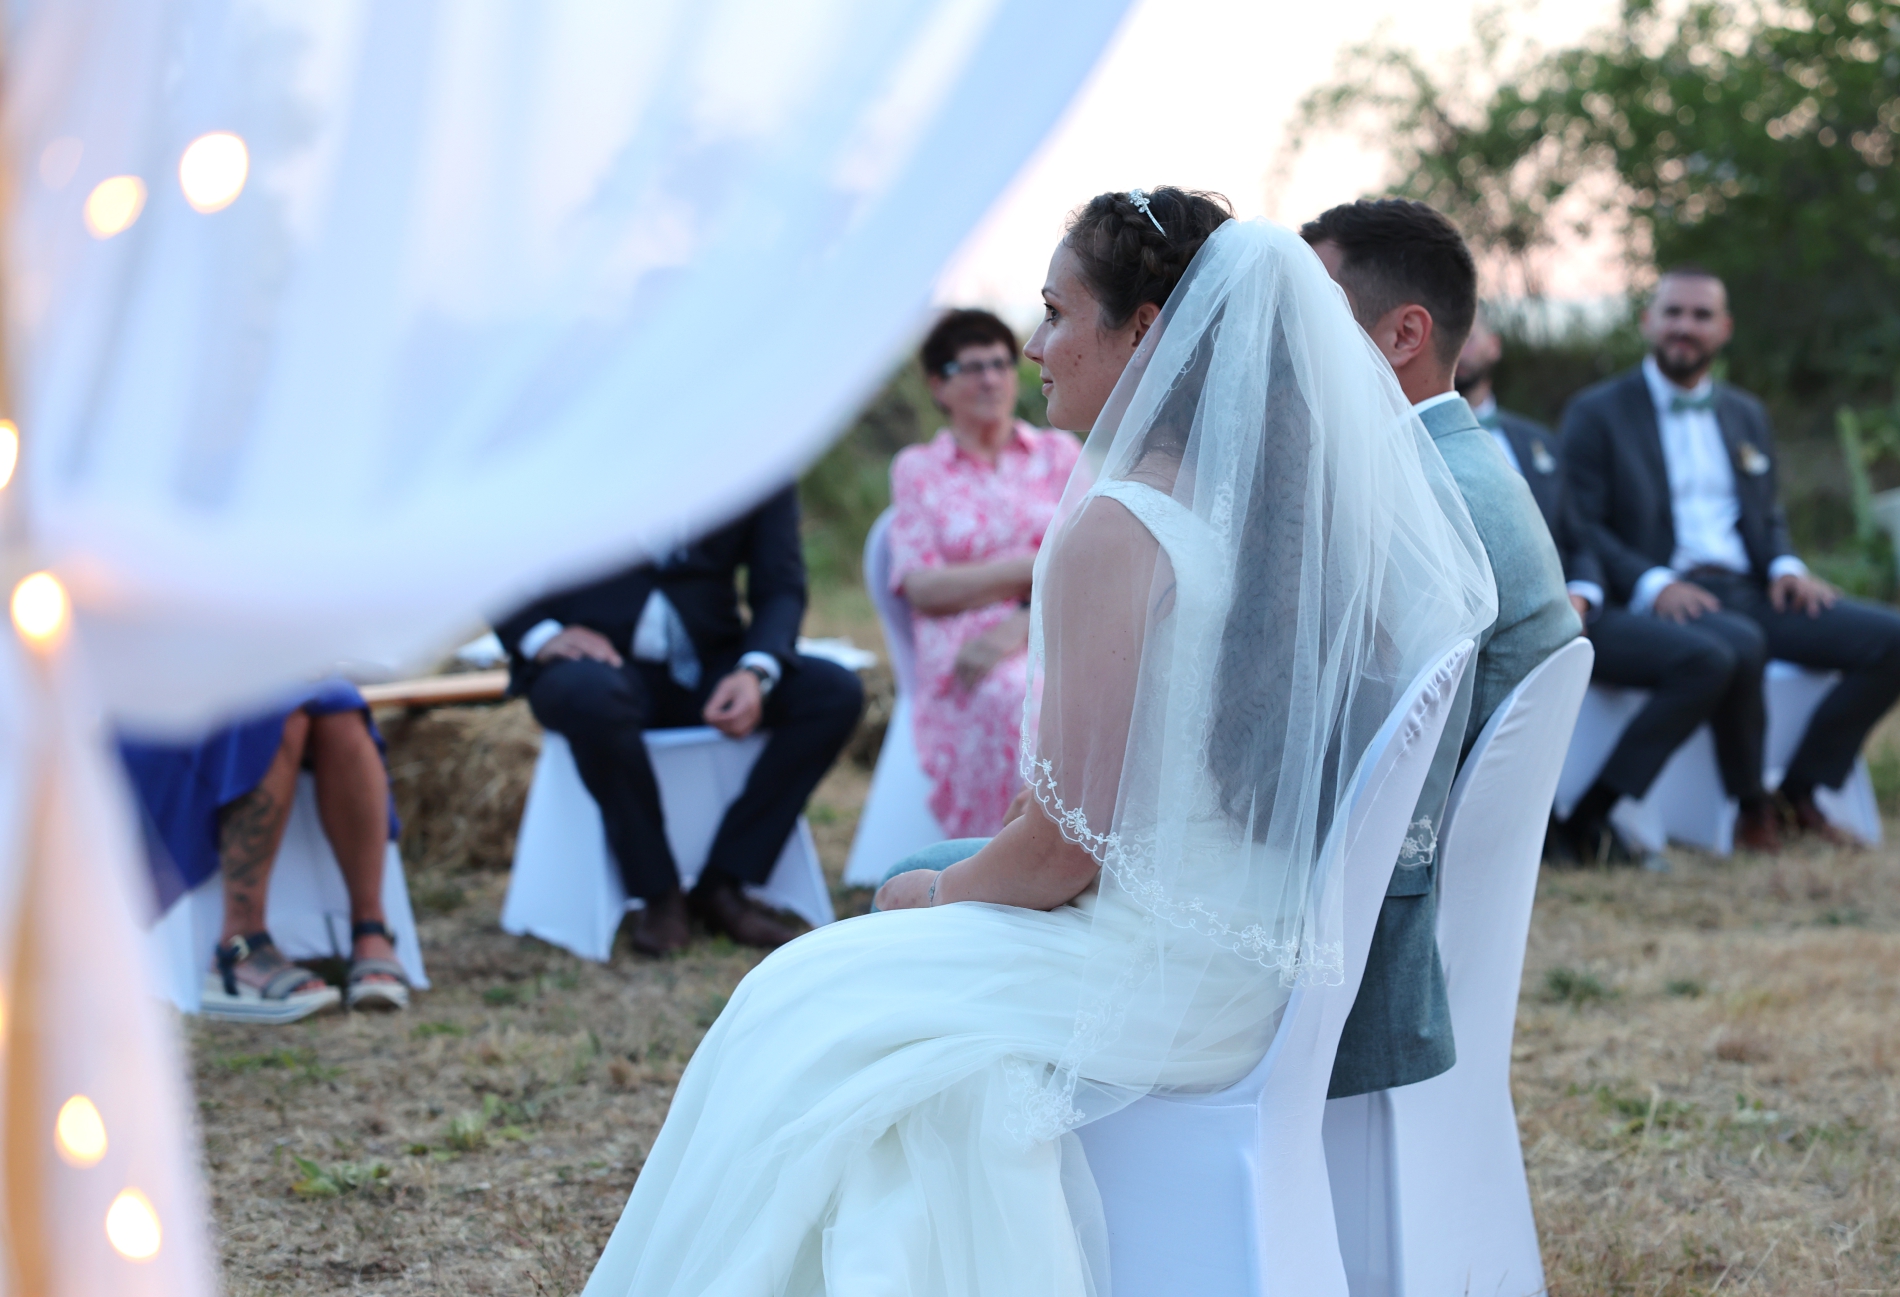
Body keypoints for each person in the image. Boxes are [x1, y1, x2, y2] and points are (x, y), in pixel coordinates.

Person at [578, 193, 1494, 1295]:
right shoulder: (1277, 508)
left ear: (1144, 330)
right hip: (1260, 960)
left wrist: (931, 892)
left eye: (1056, 312)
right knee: (820, 1000)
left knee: (797, 1004)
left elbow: (1064, 851)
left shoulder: (1124, 524)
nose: (1031, 345)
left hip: (1165, 976)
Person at [1301, 198, 1579, 1101]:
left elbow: (1348, 760)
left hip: (1367, 949)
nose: (1283, 337)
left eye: (1310, 308)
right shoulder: (1460, 464)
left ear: (1403, 334)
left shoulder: (1420, 504)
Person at [1562, 266, 1900, 851]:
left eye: (1701, 315)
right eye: (1673, 312)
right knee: (1738, 644)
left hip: (1750, 589)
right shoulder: (1597, 412)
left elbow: (1766, 513)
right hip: (1660, 596)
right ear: (1648, 322)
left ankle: (1800, 792)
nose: (1685, 327)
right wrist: (1653, 582)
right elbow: (1580, 525)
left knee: (1890, 639)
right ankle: (1750, 809)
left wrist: (1787, 566)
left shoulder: (1746, 413)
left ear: (1724, 329)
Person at [494, 487, 863, 956]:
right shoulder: (570, 443)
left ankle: (724, 882)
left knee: (834, 692)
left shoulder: (755, 457)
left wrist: (755, 670)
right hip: (595, 663)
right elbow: (484, 540)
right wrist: (539, 635)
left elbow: (781, 587)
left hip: (710, 661)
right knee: (592, 698)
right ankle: (657, 891)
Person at [1459, 319, 1735, 865]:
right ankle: (1527, 834)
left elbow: (1579, 537)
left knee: (1708, 659)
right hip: (1484, 626)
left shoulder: (1535, 438)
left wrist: (1582, 595)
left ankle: (1593, 815)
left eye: (1471, 333)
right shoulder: (1403, 439)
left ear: (1494, 346)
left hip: (1572, 614)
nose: (1461, 346)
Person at [889, 309, 1081, 837]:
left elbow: (1087, 559)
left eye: (1000, 364)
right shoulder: (919, 469)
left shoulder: (1058, 453)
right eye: (972, 367)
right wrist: (1034, 565)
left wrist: (1018, 624)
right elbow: (923, 587)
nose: (991, 379)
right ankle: (1012, 855)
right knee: (1017, 697)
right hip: (965, 650)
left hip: (1058, 625)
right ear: (938, 385)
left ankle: (1087, 854)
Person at [119, 681, 409, 1021]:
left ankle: (370, 925)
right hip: (159, 692)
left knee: (339, 706)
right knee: (275, 708)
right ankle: (239, 944)